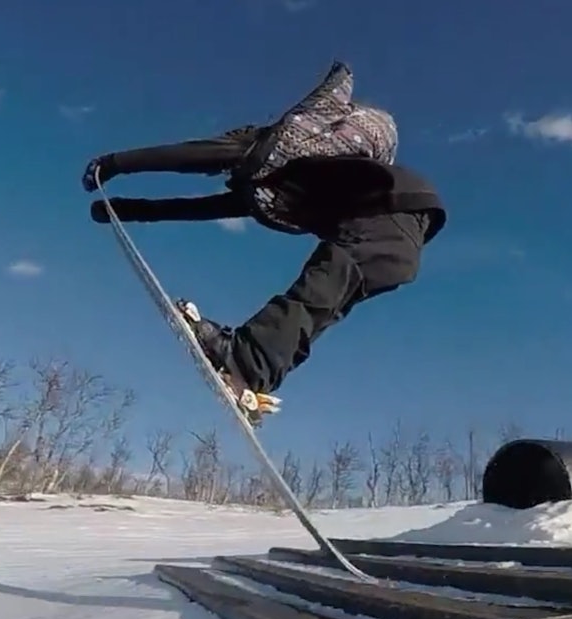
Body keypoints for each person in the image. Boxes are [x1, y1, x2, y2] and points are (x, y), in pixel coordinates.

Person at [81, 62, 447, 416]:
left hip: (392, 214)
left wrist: (112, 163)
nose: (224, 176)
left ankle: (245, 360)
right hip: (402, 240)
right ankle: (253, 376)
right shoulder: (276, 192)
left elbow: (188, 155)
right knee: (320, 307)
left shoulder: (268, 149)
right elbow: (201, 208)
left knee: (325, 285)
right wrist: (121, 210)